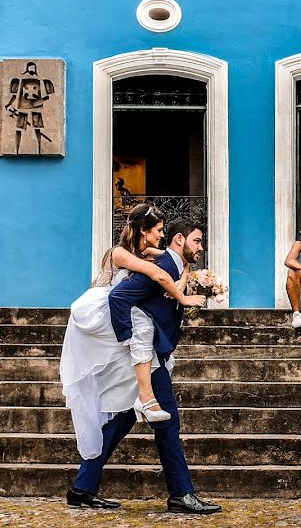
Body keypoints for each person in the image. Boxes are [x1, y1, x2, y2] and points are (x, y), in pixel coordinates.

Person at [66, 218, 220, 515]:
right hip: (141, 354)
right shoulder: (159, 265)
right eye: (197, 241)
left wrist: (189, 281)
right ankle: (181, 493)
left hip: (149, 352)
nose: (201, 246)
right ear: (179, 239)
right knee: (167, 420)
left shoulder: (172, 264)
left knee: (123, 419)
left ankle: (82, 488)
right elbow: (120, 297)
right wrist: (128, 339)